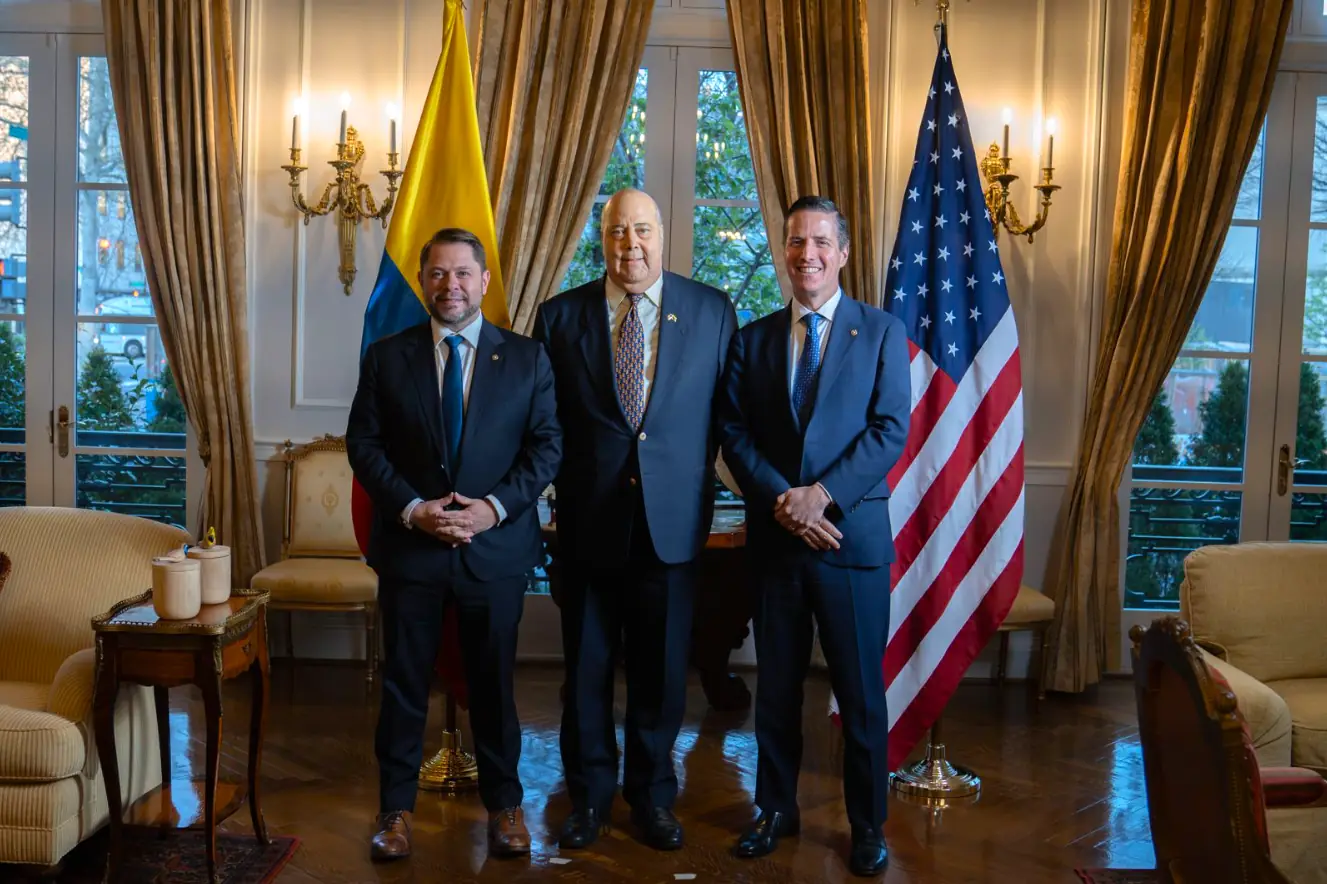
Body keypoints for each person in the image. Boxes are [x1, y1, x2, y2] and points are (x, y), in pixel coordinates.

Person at [346, 227, 561, 862]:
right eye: (438, 274)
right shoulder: (388, 356)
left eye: (463, 273)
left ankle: (505, 807)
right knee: (404, 683)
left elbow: (547, 446)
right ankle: (395, 811)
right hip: (412, 550)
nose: (451, 286)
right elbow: (365, 446)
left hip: (493, 552)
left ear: (484, 281)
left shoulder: (526, 358)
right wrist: (414, 510)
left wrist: (492, 511)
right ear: (423, 281)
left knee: (493, 684)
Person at [532, 188, 737, 851]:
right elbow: (547, 425)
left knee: (660, 674)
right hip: (588, 525)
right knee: (587, 673)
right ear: (603, 240)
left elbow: (726, 419)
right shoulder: (559, 317)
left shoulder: (710, 311)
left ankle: (651, 798)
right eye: (618, 232)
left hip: (672, 527)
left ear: (661, 234)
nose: (631, 245)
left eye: (642, 230)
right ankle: (587, 800)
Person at [716, 195, 910, 877]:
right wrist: (784, 499)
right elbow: (733, 432)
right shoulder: (753, 338)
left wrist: (819, 496)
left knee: (859, 695)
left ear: (843, 252)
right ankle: (774, 810)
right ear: (784, 249)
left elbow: (889, 429)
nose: (808, 255)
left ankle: (865, 825)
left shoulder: (881, 332)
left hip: (849, 544)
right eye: (796, 242)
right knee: (775, 690)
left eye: (821, 243)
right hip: (775, 544)